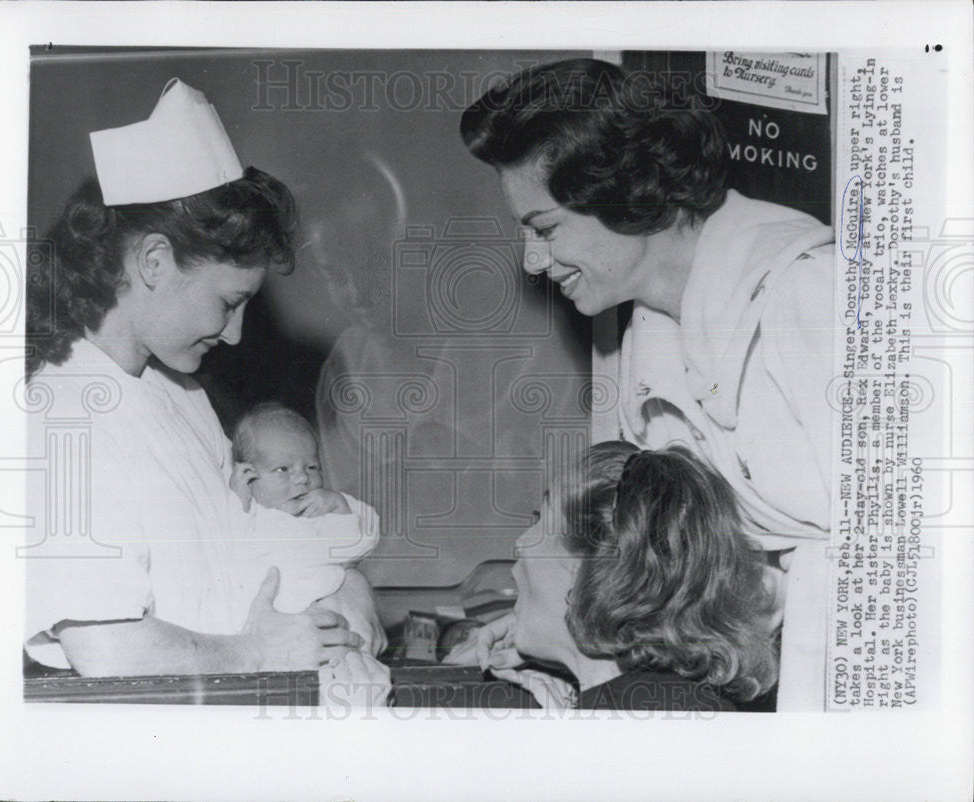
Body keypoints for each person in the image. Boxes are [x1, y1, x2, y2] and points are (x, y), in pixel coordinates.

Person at [459, 58, 836, 709]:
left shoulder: (811, 291)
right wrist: (557, 632)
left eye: (544, 228)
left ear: (626, 194)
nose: (533, 260)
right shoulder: (639, 337)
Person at [23, 78, 383, 677]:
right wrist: (261, 653)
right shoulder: (59, 413)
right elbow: (107, 648)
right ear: (154, 262)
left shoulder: (179, 393)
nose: (237, 334)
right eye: (228, 302)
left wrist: (343, 593)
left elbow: (267, 538)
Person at [350, 442, 779, 712]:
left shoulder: (624, 717)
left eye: (540, 519)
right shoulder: (664, 701)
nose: (520, 542)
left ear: (591, 571)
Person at [227, 402, 385, 654]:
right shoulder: (249, 516)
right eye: (283, 469)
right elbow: (230, 546)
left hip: (333, 624)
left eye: (311, 467)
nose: (302, 478)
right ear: (248, 475)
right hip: (278, 634)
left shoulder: (317, 515)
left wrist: (342, 507)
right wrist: (238, 500)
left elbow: (361, 541)